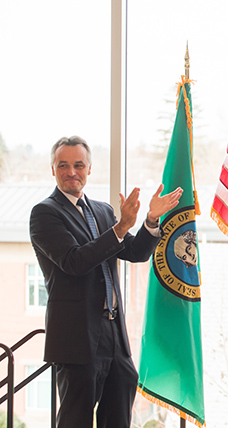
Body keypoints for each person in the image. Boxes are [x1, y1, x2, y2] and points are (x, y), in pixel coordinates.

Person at [29, 136, 182, 428]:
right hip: (76, 339)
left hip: (114, 334)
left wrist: (150, 219)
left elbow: (136, 253)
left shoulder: (102, 211)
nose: (71, 172)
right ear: (53, 169)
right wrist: (121, 227)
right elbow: (75, 262)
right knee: (76, 420)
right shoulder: (45, 213)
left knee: (119, 415)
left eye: (78, 165)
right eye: (63, 165)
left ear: (89, 169)